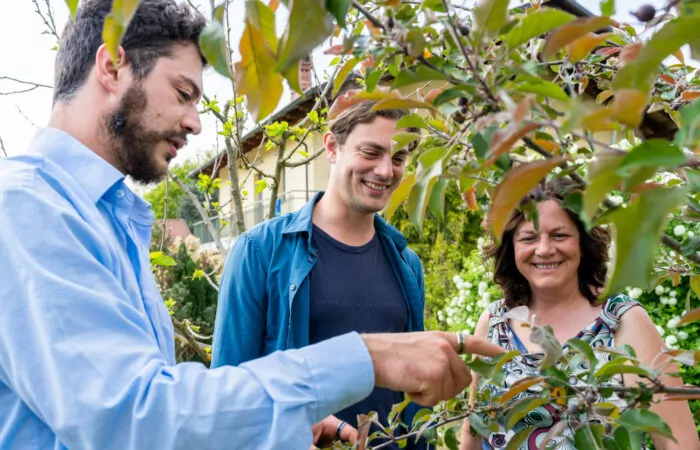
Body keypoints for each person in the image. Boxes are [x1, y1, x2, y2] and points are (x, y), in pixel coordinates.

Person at [0, 1, 506, 449]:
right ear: (112, 67)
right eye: (183, 93)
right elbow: (132, 419)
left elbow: (168, 411)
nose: (197, 122)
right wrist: (364, 357)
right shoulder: (29, 209)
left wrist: (277, 427)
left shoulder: (109, 220)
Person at [211, 92, 431, 449]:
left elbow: (415, 394)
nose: (386, 171)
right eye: (371, 152)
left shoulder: (407, 264)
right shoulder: (259, 253)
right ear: (332, 147)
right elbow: (226, 396)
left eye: (400, 157)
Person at [459, 180, 699, 450]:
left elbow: (679, 443)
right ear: (510, 248)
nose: (545, 249)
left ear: (583, 243)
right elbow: (474, 433)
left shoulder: (623, 320)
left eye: (560, 235)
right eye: (529, 238)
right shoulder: (494, 322)